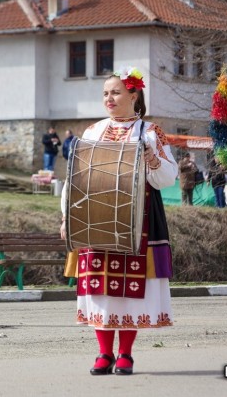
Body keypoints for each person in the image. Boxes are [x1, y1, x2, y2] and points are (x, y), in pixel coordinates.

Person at [60, 66, 178, 376]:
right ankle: (103, 353)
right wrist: (66, 217)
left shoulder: (150, 132)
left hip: (138, 218)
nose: (108, 98)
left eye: (115, 92)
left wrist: (154, 160)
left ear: (133, 95)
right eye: (105, 93)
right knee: (100, 286)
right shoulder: (93, 132)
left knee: (129, 289)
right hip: (94, 216)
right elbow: (77, 178)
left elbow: (167, 178)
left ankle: (125, 353)